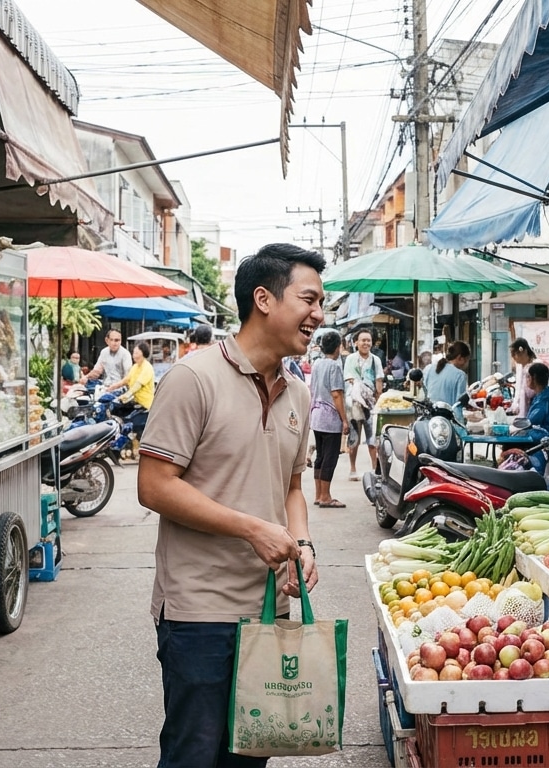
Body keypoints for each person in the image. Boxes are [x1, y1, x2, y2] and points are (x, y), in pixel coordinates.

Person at [137, 243, 324, 768]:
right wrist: (252, 529)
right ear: (263, 299)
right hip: (200, 610)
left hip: (269, 609)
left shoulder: (299, 395)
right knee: (193, 756)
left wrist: (301, 542)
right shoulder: (194, 380)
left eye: (320, 302)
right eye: (308, 299)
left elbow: (291, 487)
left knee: (251, 755)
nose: (319, 315)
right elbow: (153, 485)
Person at [308, 331, 348, 507]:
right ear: (338, 347)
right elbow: (336, 394)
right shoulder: (335, 366)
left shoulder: (317, 364)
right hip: (330, 418)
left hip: (316, 415)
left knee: (321, 456)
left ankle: (319, 495)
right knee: (330, 458)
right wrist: (344, 420)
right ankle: (325, 496)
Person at [341, 327, 382, 480]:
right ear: (356, 342)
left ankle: (374, 469)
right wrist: (360, 389)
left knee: (373, 440)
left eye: (368, 340)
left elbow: (379, 380)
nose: (366, 343)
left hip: (371, 405)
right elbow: (349, 379)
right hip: (354, 404)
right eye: (363, 340)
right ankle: (352, 469)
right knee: (354, 438)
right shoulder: (351, 359)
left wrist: (379, 400)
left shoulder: (376, 360)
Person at [522, 362, 549, 489]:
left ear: (534, 378)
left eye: (528, 377)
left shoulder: (544, 400)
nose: (527, 380)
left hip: (547, 445)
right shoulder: (543, 397)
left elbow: (531, 422)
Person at [423, 341, 471, 419]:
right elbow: (458, 406)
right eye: (467, 360)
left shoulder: (429, 368)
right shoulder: (460, 376)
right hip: (446, 422)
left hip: (429, 418)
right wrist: (461, 426)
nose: (467, 364)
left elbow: (425, 392)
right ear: (460, 358)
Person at [507, 338, 536, 415]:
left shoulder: (534, 366)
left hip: (534, 406)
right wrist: (515, 404)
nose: (513, 357)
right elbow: (518, 389)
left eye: (514, 354)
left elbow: (531, 392)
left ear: (524, 352)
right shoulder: (520, 367)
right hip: (523, 408)